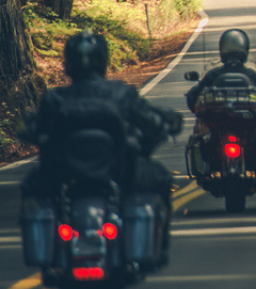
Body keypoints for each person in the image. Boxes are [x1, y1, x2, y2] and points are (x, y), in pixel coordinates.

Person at [22, 31, 181, 252]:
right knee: (161, 178)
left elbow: (32, 129)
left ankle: (49, 251)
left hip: (65, 177)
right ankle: (158, 249)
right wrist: (165, 124)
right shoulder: (120, 93)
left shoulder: (55, 99)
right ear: (103, 60)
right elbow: (150, 121)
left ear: (68, 63)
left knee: (31, 188)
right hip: (117, 173)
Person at [185, 28, 256, 111]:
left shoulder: (213, 74)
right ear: (245, 50)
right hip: (245, 125)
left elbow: (193, 95)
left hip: (218, 125)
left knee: (200, 128)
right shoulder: (251, 75)